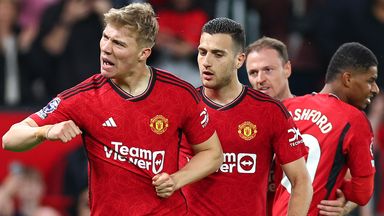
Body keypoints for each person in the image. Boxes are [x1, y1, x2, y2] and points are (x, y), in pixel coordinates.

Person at [2, 2, 223, 215]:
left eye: (119, 44)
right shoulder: (85, 96)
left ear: (143, 53)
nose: (106, 49)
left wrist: (177, 179)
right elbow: (10, 139)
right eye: (105, 37)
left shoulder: (180, 94)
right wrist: (45, 132)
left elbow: (212, 154)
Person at [180, 17, 312, 216]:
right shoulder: (182, 107)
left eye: (218, 54)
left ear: (239, 60)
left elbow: (301, 181)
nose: (207, 62)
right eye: (202, 52)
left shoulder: (269, 110)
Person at [270, 42, 378, 216]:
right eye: (370, 80)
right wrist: (340, 191)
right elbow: (363, 192)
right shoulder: (354, 120)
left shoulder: (288, 107)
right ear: (347, 79)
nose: (375, 89)